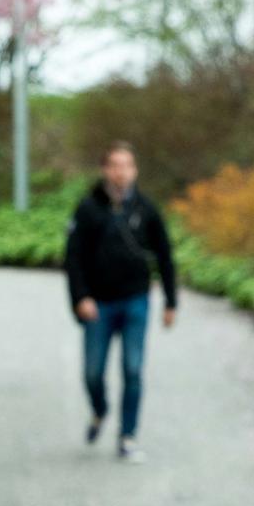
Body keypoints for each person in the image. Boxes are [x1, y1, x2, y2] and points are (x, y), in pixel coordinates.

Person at [64, 141, 177, 461]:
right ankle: (100, 410)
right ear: (105, 169)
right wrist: (80, 297)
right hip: (98, 304)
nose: (120, 172)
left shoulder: (146, 208)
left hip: (135, 301)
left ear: (135, 170)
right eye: (114, 165)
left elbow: (165, 256)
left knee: (133, 369)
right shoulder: (88, 208)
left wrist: (171, 302)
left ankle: (127, 436)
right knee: (92, 373)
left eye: (127, 165)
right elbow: (73, 258)